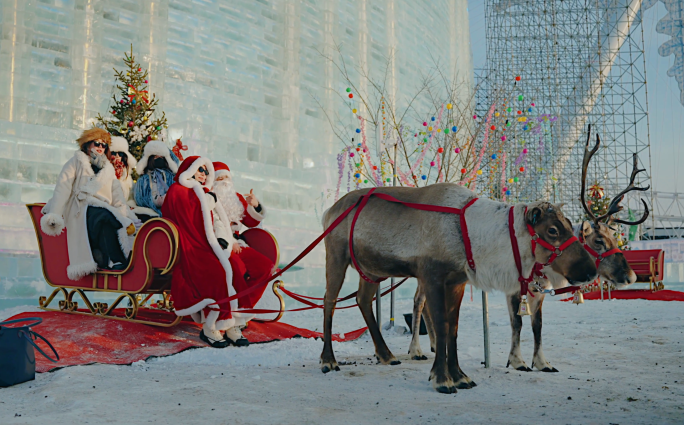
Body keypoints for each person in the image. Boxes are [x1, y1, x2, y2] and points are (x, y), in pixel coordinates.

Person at [162, 156, 260, 348]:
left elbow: (216, 220)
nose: (204, 174)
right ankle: (210, 327)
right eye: (200, 170)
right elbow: (185, 214)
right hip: (189, 244)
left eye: (206, 171)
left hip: (214, 243)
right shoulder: (179, 190)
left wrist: (224, 240)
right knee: (217, 273)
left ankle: (232, 323)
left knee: (231, 270)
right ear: (189, 170)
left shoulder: (204, 192)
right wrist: (205, 202)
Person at [40, 128, 137, 279]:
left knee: (108, 219)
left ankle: (110, 259)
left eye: (104, 145)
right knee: (104, 216)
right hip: (81, 209)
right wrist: (55, 214)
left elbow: (116, 194)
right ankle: (113, 257)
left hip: (102, 211)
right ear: (86, 145)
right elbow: (63, 188)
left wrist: (122, 213)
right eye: (96, 143)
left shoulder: (108, 169)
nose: (100, 147)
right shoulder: (76, 162)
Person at [211, 162, 275, 344]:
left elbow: (252, 221)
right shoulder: (209, 198)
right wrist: (229, 242)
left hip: (239, 243)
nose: (224, 182)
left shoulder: (236, 197)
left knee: (265, 268)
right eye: (220, 178)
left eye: (227, 178)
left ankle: (243, 313)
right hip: (219, 244)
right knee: (237, 270)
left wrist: (255, 205)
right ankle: (233, 321)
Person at [132, 140, 179, 219]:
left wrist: (164, 149)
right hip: (150, 212)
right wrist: (153, 202)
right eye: (156, 157)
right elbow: (139, 197)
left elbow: (177, 192)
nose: (159, 159)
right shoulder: (144, 179)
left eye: (161, 157)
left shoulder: (170, 176)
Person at [109, 136, 136, 200]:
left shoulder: (127, 175)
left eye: (120, 154)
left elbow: (131, 196)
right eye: (114, 153)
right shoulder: (105, 172)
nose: (117, 156)